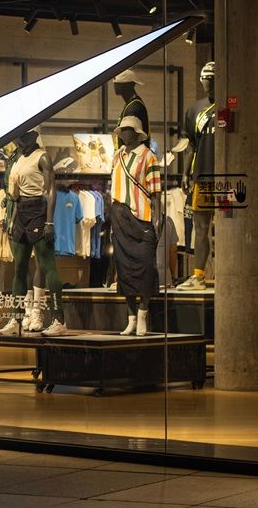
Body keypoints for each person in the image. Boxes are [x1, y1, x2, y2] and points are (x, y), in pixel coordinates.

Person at [0, 127, 69, 337]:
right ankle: (17, 319)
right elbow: (14, 192)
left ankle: (59, 320)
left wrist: (49, 221)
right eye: (18, 137)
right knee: (19, 268)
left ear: (33, 136)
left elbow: (51, 190)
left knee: (47, 266)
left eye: (23, 137)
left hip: (38, 210)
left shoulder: (42, 157)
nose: (19, 141)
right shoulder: (18, 159)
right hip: (20, 211)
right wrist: (11, 219)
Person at [110, 116, 162, 336]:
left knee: (146, 267)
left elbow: (156, 192)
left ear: (137, 133)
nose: (123, 133)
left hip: (141, 217)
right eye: (122, 130)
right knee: (123, 268)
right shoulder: (117, 156)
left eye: (127, 129)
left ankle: (143, 313)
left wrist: (157, 219)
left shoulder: (148, 157)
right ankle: (131, 317)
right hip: (119, 216)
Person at [175, 61, 216, 291]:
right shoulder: (194, 110)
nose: (208, 83)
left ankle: (232, 274)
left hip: (227, 177)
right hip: (202, 176)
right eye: (206, 79)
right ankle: (199, 276)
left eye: (212, 79)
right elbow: (190, 144)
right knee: (201, 228)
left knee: (229, 229)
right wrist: (185, 173)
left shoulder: (230, 105)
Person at [113, 69, 150, 144]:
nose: (115, 85)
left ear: (129, 85)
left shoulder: (134, 107)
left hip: (134, 152)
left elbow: (129, 140)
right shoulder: (131, 104)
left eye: (119, 83)